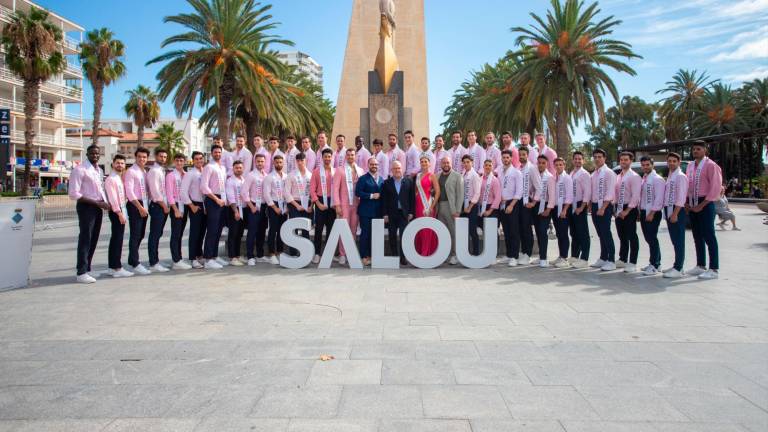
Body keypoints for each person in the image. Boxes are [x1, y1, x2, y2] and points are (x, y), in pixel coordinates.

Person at [69, 144, 110, 283]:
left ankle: (88, 269)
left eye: (97, 153)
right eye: (92, 153)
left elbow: (100, 189)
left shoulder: (98, 170)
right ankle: (81, 272)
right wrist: (97, 203)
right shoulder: (79, 170)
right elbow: (74, 194)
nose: (95, 155)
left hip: (98, 207)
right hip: (86, 207)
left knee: (94, 238)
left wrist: (105, 202)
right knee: (85, 238)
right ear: (87, 154)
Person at [686, 141, 723, 280]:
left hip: (705, 203)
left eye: (698, 149)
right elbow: (687, 184)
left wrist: (702, 205)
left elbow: (715, 187)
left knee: (709, 235)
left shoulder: (711, 165)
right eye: (694, 149)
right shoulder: (690, 166)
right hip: (692, 202)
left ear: (705, 150)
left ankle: (714, 268)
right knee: (697, 235)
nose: (695, 151)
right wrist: (686, 202)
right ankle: (700, 265)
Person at [332, 148, 364, 265]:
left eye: (352, 155)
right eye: (349, 155)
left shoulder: (360, 170)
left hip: (356, 204)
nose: (351, 157)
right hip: (344, 204)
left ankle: (351, 252)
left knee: (354, 229)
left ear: (355, 156)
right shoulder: (340, 170)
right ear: (346, 157)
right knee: (343, 229)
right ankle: (342, 254)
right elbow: (335, 189)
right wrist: (337, 205)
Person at [104, 154, 133, 278]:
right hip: (117, 211)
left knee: (117, 239)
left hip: (121, 209)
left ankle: (112, 266)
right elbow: (113, 199)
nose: (120, 165)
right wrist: (119, 213)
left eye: (122, 163)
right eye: (118, 163)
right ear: (113, 164)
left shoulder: (119, 178)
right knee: (117, 239)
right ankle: (116, 267)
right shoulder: (111, 179)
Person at [123, 147, 152, 275]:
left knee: (140, 234)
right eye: (140, 157)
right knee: (135, 234)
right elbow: (129, 191)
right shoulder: (131, 171)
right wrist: (139, 207)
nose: (142, 159)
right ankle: (135, 262)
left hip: (144, 203)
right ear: (136, 157)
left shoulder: (144, 171)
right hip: (136, 204)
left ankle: (132, 259)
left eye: (144, 157)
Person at [637, 156, 666, 276]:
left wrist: (652, 213)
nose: (645, 167)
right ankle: (656, 263)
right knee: (649, 238)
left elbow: (659, 198)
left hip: (653, 212)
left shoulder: (657, 179)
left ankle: (654, 264)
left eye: (647, 165)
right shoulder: (644, 178)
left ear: (652, 165)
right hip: (644, 211)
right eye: (643, 165)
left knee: (652, 238)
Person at [201, 144, 229, 270]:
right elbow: (204, 187)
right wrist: (216, 199)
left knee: (218, 230)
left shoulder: (222, 167)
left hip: (222, 200)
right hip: (213, 200)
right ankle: (208, 258)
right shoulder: (208, 167)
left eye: (219, 152)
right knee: (212, 230)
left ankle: (214, 255)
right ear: (211, 153)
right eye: (215, 152)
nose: (217, 154)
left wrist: (224, 199)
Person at [590, 148, 618, 271]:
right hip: (596, 205)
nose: (597, 159)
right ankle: (603, 257)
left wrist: (603, 207)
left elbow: (610, 192)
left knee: (606, 233)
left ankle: (611, 260)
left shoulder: (609, 173)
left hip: (605, 206)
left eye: (599, 157)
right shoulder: (594, 174)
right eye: (595, 157)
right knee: (600, 233)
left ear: (604, 158)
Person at [382, 161, 414, 265]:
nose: (397, 170)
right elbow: (384, 200)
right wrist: (385, 214)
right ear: (392, 170)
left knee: (404, 235)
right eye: (395, 168)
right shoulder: (387, 183)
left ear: (402, 169)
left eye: (399, 168)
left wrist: (411, 212)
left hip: (404, 214)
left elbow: (411, 198)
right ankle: (394, 256)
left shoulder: (409, 181)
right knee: (392, 235)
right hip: (391, 214)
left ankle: (403, 257)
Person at [614, 151, 642, 273]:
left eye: (626, 160)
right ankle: (623, 258)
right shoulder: (618, 176)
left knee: (631, 236)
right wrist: (616, 209)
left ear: (631, 161)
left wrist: (627, 210)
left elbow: (635, 196)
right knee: (622, 235)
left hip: (629, 208)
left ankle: (632, 262)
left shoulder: (634, 176)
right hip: (619, 208)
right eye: (621, 160)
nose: (623, 162)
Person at [663, 152, 688, 278]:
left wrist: (675, 213)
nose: (671, 163)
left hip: (676, 210)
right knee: (674, 240)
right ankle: (677, 265)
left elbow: (681, 197)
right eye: (670, 161)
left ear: (679, 162)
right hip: (669, 209)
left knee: (678, 240)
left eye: (674, 161)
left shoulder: (680, 176)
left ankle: (678, 267)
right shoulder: (671, 175)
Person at [356, 157, 385, 265]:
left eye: (376, 164)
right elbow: (358, 192)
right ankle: (364, 256)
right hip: (365, 212)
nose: (374, 166)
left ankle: (374, 255)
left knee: (375, 235)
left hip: (378, 212)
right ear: (368, 165)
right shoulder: (363, 178)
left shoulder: (382, 179)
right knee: (365, 234)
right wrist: (372, 195)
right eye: (372, 164)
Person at [180, 151, 207, 269]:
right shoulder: (190, 174)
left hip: (205, 205)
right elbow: (183, 192)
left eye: (201, 158)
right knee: (195, 233)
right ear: (193, 160)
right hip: (195, 204)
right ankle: (192, 258)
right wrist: (192, 206)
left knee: (202, 232)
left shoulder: (205, 172)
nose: (199, 161)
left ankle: (199, 255)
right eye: (196, 159)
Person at [242, 153, 270, 265]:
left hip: (264, 207)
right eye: (258, 161)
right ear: (255, 162)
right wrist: (251, 206)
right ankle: (250, 256)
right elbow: (244, 192)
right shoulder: (251, 175)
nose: (260, 163)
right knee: (252, 232)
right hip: (254, 206)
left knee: (262, 232)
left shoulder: (266, 175)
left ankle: (260, 254)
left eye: (262, 161)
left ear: (265, 162)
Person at [436, 157, 464, 265]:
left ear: (451, 163)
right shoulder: (437, 176)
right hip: (439, 206)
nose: (446, 164)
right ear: (441, 164)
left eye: (448, 162)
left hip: (451, 207)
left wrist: (457, 210)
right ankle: (444, 254)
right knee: (442, 232)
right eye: (444, 163)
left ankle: (454, 255)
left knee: (453, 232)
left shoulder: (458, 176)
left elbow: (460, 195)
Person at [166, 153, 191, 270]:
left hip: (185, 205)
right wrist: (175, 209)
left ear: (185, 162)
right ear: (174, 162)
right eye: (177, 161)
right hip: (176, 205)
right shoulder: (171, 176)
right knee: (175, 233)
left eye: (181, 160)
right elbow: (169, 194)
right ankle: (176, 260)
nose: (179, 163)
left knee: (180, 233)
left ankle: (179, 258)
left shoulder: (186, 175)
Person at [146, 149, 170, 273]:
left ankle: (155, 260)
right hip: (157, 206)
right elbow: (155, 192)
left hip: (162, 206)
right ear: (156, 156)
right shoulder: (154, 171)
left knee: (158, 234)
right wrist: (164, 206)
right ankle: (153, 263)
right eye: (161, 156)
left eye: (165, 156)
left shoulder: (161, 170)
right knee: (154, 234)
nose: (163, 158)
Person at [285, 152, 313, 256]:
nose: (300, 162)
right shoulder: (291, 175)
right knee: (294, 229)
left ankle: (306, 253)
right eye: (298, 161)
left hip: (307, 204)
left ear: (306, 161)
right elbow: (286, 193)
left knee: (306, 229)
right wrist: (297, 206)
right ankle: (293, 253)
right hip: (294, 203)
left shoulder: (311, 175)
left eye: (302, 160)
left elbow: (313, 192)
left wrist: (311, 206)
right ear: (296, 162)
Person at [311, 148, 336, 264]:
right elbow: (312, 190)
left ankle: (328, 254)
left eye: (329, 157)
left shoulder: (335, 171)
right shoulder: (316, 172)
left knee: (331, 230)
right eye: (325, 156)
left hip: (332, 203)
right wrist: (318, 204)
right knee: (318, 230)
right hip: (320, 202)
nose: (327, 159)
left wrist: (336, 204)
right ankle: (317, 253)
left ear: (332, 158)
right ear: (322, 158)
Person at [517, 147, 541, 266]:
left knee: (526, 228)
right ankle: (524, 251)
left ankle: (528, 253)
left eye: (523, 154)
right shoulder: (519, 168)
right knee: (521, 227)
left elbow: (539, 187)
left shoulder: (532, 168)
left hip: (527, 202)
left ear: (528, 155)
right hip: (519, 202)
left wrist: (534, 202)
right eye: (520, 155)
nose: (521, 156)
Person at [498, 149, 523, 266]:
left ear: (511, 158)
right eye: (504, 158)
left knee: (513, 231)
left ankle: (515, 256)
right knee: (506, 231)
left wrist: (512, 205)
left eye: (507, 157)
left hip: (512, 204)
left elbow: (519, 191)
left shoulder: (517, 173)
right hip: (502, 204)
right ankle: (508, 255)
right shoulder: (499, 171)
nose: (505, 159)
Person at [548, 158, 573, 268]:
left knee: (563, 233)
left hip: (563, 208)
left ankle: (564, 257)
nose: (558, 166)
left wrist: (565, 210)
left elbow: (569, 196)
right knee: (559, 233)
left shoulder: (567, 178)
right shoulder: (554, 178)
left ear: (564, 165)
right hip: (555, 208)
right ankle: (560, 255)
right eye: (556, 165)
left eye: (560, 165)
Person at [568, 151, 591, 268]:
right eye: (575, 159)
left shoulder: (584, 174)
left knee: (583, 233)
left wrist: (582, 207)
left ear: (583, 161)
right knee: (574, 232)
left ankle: (584, 258)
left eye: (579, 159)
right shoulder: (572, 173)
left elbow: (587, 193)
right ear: (573, 160)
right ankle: (575, 255)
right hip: (571, 205)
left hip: (580, 205)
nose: (577, 161)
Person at [264, 154, 288, 265]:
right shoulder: (269, 177)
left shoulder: (286, 176)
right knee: (273, 230)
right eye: (277, 162)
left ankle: (280, 251)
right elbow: (266, 194)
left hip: (284, 205)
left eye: (280, 162)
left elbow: (288, 192)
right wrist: (274, 207)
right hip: (273, 205)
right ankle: (272, 254)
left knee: (282, 230)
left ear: (283, 163)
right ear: (273, 163)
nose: (279, 164)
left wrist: (286, 207)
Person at [414, 155, 441, 256]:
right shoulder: (417, 176)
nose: (424, 163)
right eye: (422, 162)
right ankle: (419, 251)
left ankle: (426, 252)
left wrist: (432, 206)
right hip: (418, 205)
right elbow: (416, 190)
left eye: (426, 161)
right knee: (419, 227)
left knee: (427, 228)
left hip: (428, 205)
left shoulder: (432, 175)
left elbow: (438, 192)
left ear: (429, 163)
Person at [225, 160, 246, 266]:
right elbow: (231, 197)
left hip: (243, 208)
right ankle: (232, 257)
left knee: (239, 234)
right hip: (235, 209)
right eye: (236, 168)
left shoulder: (243, 179)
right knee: (233, 234)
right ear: (233, 169)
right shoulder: (230, 181)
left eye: (240, 168)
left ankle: (237, 255)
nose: (239, 169)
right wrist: (236, 211)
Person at [478, 159, 501, 256]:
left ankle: (494, 253)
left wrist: (490, 210)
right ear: (483, 167)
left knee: (493, 232)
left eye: (489, 165)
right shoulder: (480, 179)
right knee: (484, 230)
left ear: (492, 167)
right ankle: (486, 253)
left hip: (491, 208)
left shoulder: (495, 180)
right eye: (486, 165)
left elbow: (498, 197)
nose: (487, 167)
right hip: (481, 208)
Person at [533, 155, 553, 267]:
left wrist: (548, 209)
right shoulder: (535, 175)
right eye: (539, 162)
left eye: (543, 163)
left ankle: (544, 258)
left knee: (542, 231)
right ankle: (541, 255)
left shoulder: (549, 177)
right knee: (538, 231)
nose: (541, 165)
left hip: (545, 207)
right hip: (536, 205)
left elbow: (552, 196)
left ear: (547, 164)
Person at [460, 154, 482, 255]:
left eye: (468, 162)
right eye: (464, 162)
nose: (466, 164)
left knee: (472, 230)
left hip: (471, 205)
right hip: (464, 204)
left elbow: (477, 193)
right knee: (464, 230)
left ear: (472, 162)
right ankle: (466, 253)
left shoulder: (475, 175)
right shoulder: (464, 173)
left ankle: (476, 253)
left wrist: (470, 207)